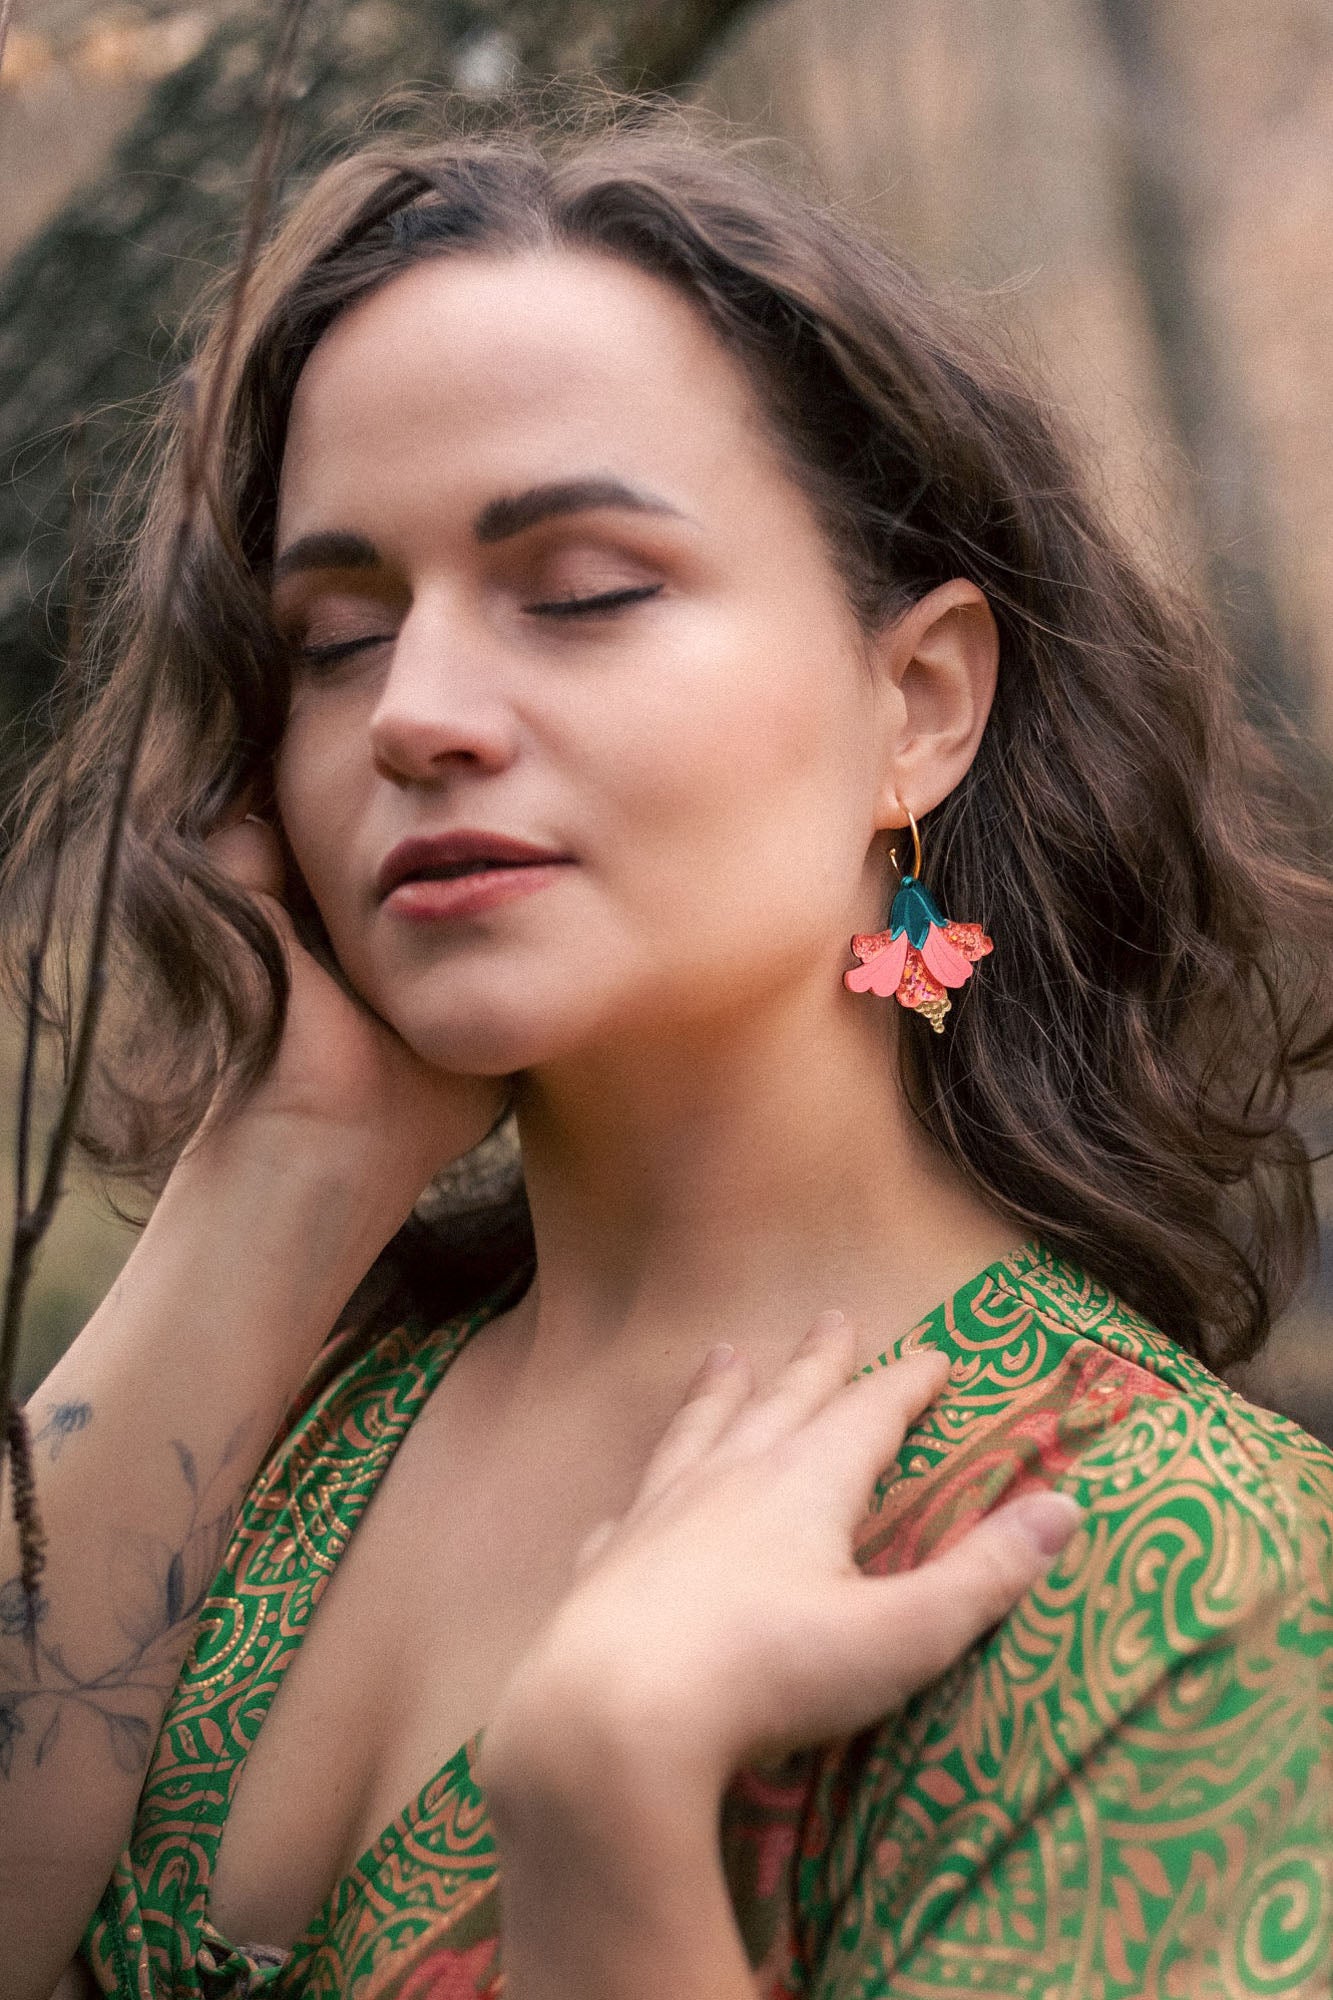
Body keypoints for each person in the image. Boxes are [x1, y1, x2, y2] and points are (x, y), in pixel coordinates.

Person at [2, 96, 1331, 2000]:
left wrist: (617, 1826)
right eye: (332, 636)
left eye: (581, 593)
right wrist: (283, 1157)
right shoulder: (287, 1432)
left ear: (919, 703)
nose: (419, 716)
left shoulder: (1173, 1578)